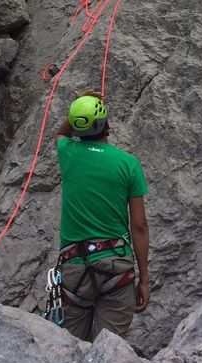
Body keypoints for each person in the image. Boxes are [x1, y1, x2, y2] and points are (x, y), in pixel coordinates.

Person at [55, 91, 150, 341]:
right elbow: (139, 225)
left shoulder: (68, 152)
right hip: (115, 265)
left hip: (74, 266)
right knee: (107, 351)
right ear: (106, 122)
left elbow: (62, 133)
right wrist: (144, 280)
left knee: (69, 347)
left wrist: (79, 104)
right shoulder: (128, 163)